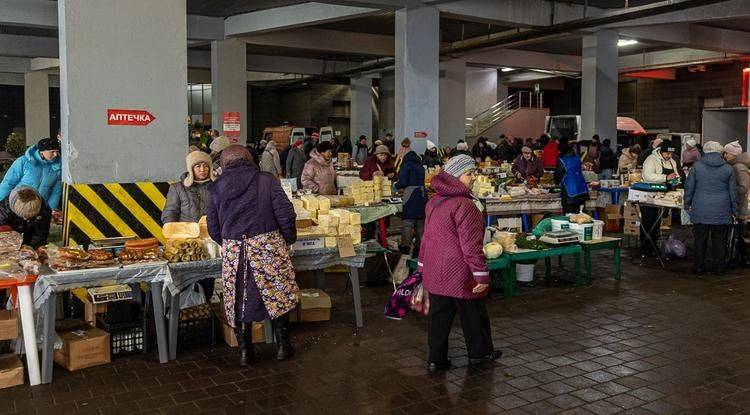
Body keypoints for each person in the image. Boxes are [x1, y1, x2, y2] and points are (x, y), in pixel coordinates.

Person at [206, 145, 298, 366]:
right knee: (276, 294)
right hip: (267, 246)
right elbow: (285, 213)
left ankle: (246, 353)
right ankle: (283, 346)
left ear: (224, 164)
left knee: (238, 298)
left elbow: (213, 227)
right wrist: (287, 238)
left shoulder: (215, 188)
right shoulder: (266, 180)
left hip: (234, 251)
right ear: (250, 159)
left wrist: (230, 243)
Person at [417, 154, 501, 373]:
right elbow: (472, 246)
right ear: (455, 176)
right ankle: (480, 354)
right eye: (469, 173)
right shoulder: (466, 205)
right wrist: (481, 275)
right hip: (461, 272)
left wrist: (422, 266)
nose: (473, 177)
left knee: (439, 317)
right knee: (474, 313)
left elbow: (426, 237)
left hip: (435, 270)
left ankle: (436, 360)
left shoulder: (434, 201)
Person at [162, 151, 215, 301]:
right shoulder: (177, 188)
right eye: (198, 166)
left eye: (206, 166)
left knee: (207, 282)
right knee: (184, 283)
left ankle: (205, 309)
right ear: (191, 169)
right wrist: (174, 236)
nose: (202, 170)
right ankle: (181, 316)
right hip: (186, 246)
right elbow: (169, 214)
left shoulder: (216, 187)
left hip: (209, 244)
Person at [684, 141, 737, 276]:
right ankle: (719, 268)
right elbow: (733, 192)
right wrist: (734, 210)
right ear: (720, 152)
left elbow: (689, 187)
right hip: (721, 209)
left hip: (700, 208)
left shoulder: (697, 166)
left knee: (700, 239)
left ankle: (699, 267)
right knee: (719, 240)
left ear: (705, 151)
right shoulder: (728, 169)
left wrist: (687, 204)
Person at [640, 142, 680, 260]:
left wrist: (676, 181)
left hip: (663, 197)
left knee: (657, 223)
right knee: (648, 221)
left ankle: (654, 247)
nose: (669, 155)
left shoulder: (672, 161)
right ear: (661, 151)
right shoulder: (651, 159)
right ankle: (645, 248)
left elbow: (676, 175)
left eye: (670, 153)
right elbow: (648, 176)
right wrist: (666, 177)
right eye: (667, 153)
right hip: (649, 196)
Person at [0, 137, 62, 212]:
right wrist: (1, 203)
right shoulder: (23, 161)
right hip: (18, 206)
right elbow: (8, 183)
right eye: (52, 152)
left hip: (39, 209)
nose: (55, 154)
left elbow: (56, 191)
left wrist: (51, 210)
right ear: (42, 152)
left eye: (57, 151)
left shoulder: (57, 166)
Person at [396, 148, 428, 256]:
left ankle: (405, 246)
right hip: (422, 194)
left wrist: (396, 186)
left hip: (410, 194)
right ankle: (419, 247)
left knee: (408, 222)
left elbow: (403, 181)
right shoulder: (420, 166)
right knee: (420, 223)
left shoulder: (406, 165)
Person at [554, 141, 589, 214]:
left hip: (569, 189)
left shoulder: (561, 160)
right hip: (582, 187)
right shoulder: (577, 157)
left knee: (569, 215)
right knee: (580, 214)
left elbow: (558, 173)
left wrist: (556, 182)